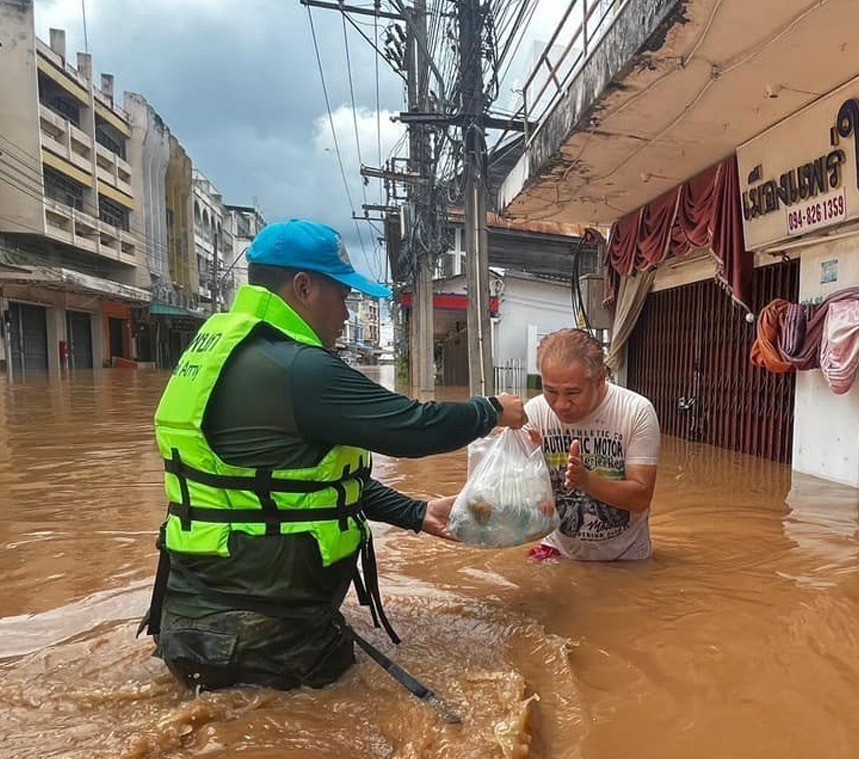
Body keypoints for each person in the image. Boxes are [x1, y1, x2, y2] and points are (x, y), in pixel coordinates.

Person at [142, 219, 526, 692]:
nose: (346, 312)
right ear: (303, 287)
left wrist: (416, 513)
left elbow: (293, 488)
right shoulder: (300, 369)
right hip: (270, 640)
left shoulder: (220, 349)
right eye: (341, 294)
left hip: (194, 620)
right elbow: (412, 426)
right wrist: (492, 411)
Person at [525, 329, 660, 562]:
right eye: (550, 391)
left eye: (572, 392)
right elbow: (517, 493)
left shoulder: (636, 411)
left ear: (599, 381)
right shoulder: (534, 413)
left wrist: (586, 481)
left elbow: (640, 499)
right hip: (557, 550)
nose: (560, 404)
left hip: (626, 556)